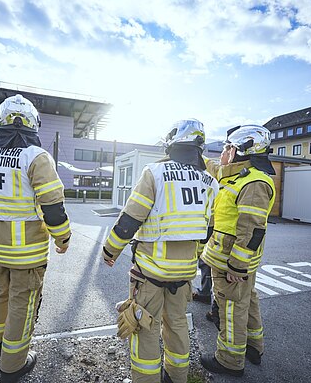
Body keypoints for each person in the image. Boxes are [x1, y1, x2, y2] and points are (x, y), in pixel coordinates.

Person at [102, 119, 219, 383]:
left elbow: (130, 218)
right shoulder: (210, 182)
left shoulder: (155, 173)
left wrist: (110, 250)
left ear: (173, 143)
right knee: (177, 323)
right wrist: (194, 256)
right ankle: (177, 377)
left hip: (151, 271)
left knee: (146, 326)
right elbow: (208, 229)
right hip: (185, 273)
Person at [0, 94, 71, 383]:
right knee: (23, 303)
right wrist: (63, 237)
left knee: (1, 294)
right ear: (33, 124)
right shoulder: (36, 157)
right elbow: (53, 206)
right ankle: (13, 365)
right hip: (27, 253)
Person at [200, 125, 276, 377]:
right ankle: (254, 347)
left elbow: (252, 230)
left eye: (227, 147)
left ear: (239, 151)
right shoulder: (239, 175)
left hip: (231, 264)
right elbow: (216, 169)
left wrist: (237, 266)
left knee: (232, 308)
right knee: (247, 301)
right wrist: (195, 154)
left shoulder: (254, 183)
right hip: (229, 261)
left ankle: (230, 360)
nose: (223, 152)